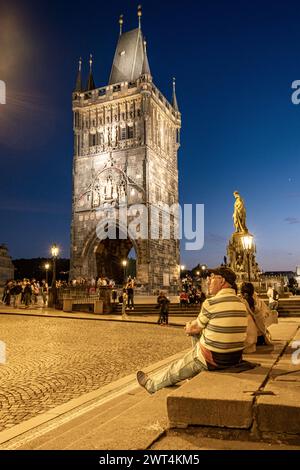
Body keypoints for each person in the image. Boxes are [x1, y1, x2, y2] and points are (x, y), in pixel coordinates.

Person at [136, 267, 249, 394]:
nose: (208, 281)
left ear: (221, 280)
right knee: (197, 334)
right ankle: (192, 367)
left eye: (211, 277)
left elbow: (194, 328)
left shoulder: (211, 303)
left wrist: (189, 326)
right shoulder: (241, 303)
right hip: (234, 357)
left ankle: (151, 384)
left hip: (214, 359)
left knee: (176, 368)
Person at [239, 282, 276, 353]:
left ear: (241, 292)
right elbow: (264, 318)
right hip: (259, 338)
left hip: (243, 339)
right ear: (253, 291)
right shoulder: (259, 302)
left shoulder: (239, 302)